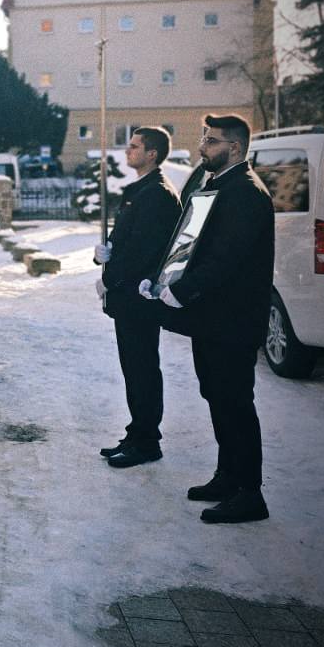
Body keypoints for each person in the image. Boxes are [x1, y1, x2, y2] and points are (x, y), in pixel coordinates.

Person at [139, 113, 275, 523]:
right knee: (217, 397)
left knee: (235, 403)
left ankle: (249, 493)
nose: (202, 146)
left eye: (211, 141)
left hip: (233, 322)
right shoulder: (220, 184)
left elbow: (225, 258)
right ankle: (228, 477)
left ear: (234, 147)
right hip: (214, 321)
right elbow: (191, 243)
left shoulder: (245, 192)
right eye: (204, 138)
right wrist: (163, 277)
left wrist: (182, 290)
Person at [94, 125, 182, 468]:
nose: (127, 151)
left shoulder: (157, 193)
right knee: (134, 368)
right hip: (127, 296)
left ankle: (147, 442)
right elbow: (123, 239)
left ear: (152, 154)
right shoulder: (141, 189)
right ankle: (137, 433)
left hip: (139, 297)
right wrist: (104, 253)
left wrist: (110, 279)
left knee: (142, 369)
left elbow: (142, 251)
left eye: (134, 146)